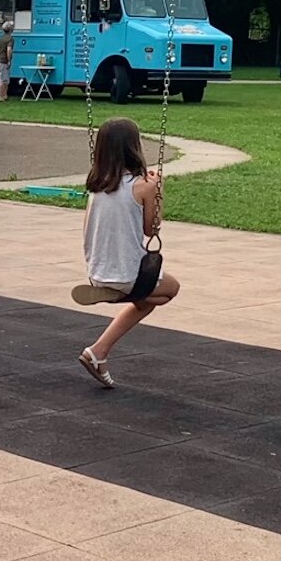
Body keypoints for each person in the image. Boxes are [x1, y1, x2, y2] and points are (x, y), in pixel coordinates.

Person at [69, 118, 180, 388]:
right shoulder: (142, 186)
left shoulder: (96, 187)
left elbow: (87, 228)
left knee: (146, 301)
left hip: (97, 269)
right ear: (134, 147)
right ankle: (121, 294)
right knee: (169, 290)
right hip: (127, 272)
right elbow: (151, 230)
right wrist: (157, 193)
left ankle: (98, 351)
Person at [0, 21, 15, 101]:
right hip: (4, 61)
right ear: (11, 30)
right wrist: (9, 60)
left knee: (4, 78)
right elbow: (9, 50)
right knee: (3, 79)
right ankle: (1, 96)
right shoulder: (10, 39)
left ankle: (5, 95)